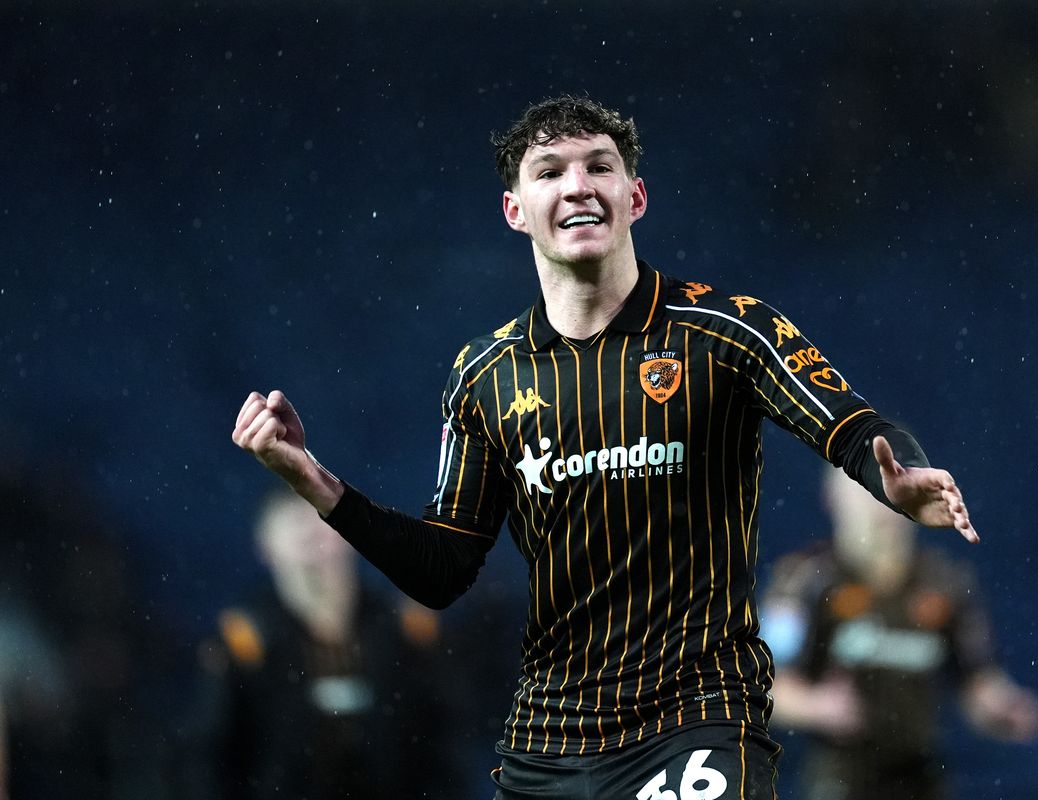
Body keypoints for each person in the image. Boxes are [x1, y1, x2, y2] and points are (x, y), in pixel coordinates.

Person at [231, 94, 979, 800]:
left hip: (697, 719)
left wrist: (899, 475)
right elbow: (443, 567)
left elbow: (851, 425)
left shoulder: (725, 331)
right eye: (549, 172)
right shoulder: (485, 375)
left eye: (599, 166)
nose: (578, 185)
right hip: (551, 742)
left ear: (635, 196)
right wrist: (312, 481)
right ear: (515, 210)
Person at [760, 465, 1038, 800]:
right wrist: (816, 706)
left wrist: (1003, 708)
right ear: (833, 499)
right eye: (864, 491)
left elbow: (976, 682)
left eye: (886, 492)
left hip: (922, 777)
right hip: (839, 779)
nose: (877, 506)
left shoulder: (945, 582)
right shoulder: (805, 581)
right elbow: (764, 686)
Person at [179, 489, 456, 800]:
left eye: (320, 516)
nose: (310, 529)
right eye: (292, 520)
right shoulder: (244, 644)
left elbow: (445, 752)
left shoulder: (407, 631)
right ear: (264, 546)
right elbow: (203, 759)